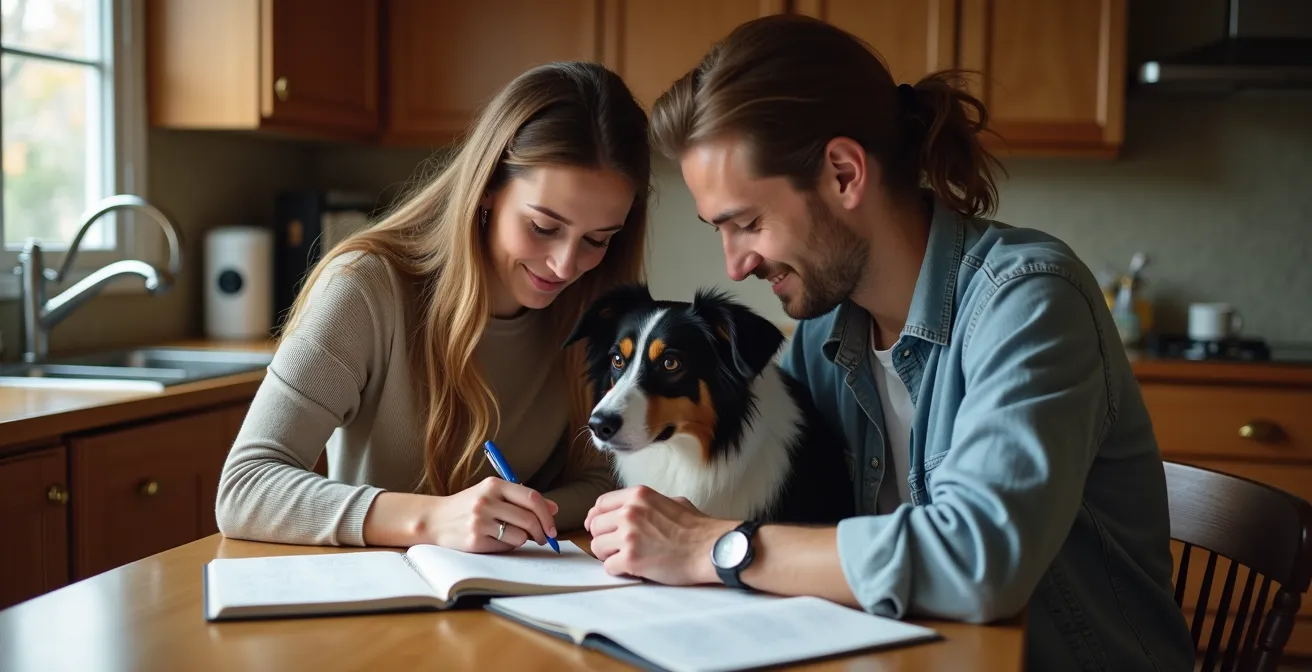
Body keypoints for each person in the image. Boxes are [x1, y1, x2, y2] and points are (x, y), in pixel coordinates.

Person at [583, 15, 1195, 671]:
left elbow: (976, 561)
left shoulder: (1028, 303)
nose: (735, 266)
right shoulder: (825, 330)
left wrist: (716, 547)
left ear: (844, 174)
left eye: (749, 222)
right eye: (719, 231)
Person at [215, 61, 651, 554]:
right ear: (488, 188)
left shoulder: (597, 307)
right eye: (543, 227)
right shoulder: (365, 287)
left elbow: (604, 481)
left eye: (597, 240)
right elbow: (245, 488)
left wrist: (513, 520)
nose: (565, 264)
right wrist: (435, 520)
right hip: (376, 598)